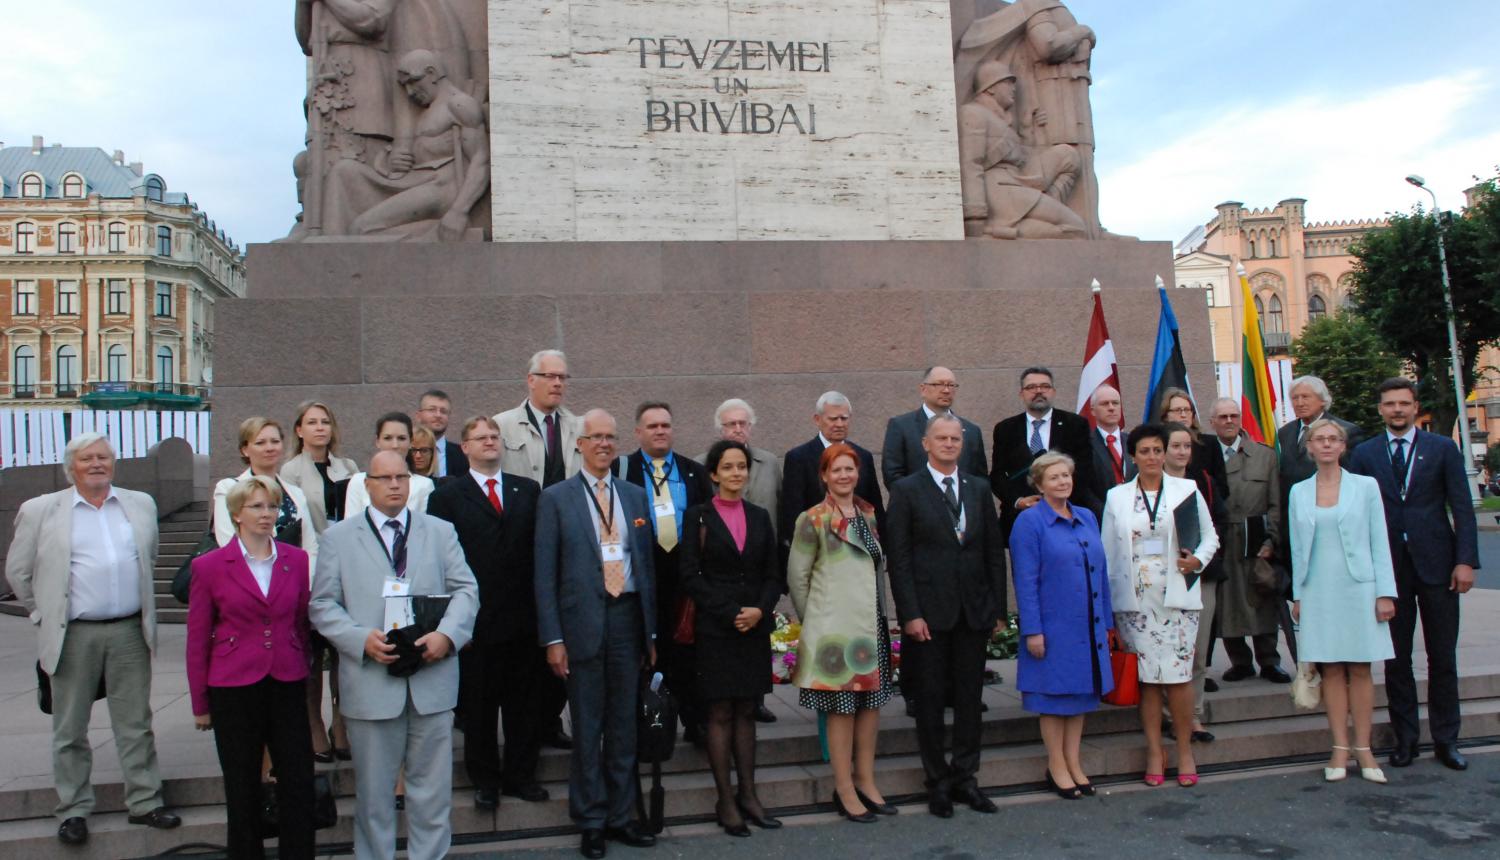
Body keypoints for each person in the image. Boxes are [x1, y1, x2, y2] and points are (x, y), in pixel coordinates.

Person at [7, 433, 180, 846]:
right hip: (73, 633)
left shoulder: (139, 505)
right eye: (87, 459)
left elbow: (148, 558)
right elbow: (19, 572)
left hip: (127, 630)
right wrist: (40, 612)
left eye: (104, 457)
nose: (97, 464)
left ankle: (145, 801)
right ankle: (73, 809)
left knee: (135, 723)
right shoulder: (42, 511)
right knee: (70, 728)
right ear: (72, 466)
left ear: (114, 463)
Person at [309, 451, 478, 860]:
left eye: (401, 477)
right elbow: (322, 605)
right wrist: (357, 639)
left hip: (431, 679)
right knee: (374, 795)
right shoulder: (339, 538)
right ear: (367, 484)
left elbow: (466, 590)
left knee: (432, 793)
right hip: (371, 682)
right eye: (384, 478)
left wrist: (447, 636)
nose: (394, 485)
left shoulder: (440, 532)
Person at [533, 409, 659, 859]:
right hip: (581, 624)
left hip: (627, 619)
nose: (604, 444)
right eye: (595, 437)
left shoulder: (634, 496)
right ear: (580, 445)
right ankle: (590, 820)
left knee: (624, 725)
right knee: (588, 727)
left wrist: (651, 634)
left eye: (610, 437)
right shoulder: (556, 498)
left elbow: (646, 567)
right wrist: (553, 639)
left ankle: (622, 816)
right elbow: (544, 575)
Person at [1348, 378, 1480, 771]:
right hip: (1388, 571)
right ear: (1380, 410)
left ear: (1415, 406)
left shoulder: (1442, 448)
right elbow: (1355, 515)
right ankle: (1406, 740)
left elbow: (1462, 506)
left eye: (1404, 403)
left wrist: (1465, 561)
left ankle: (1446, 740)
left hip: (1439, 565)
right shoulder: (1364, 454)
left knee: (1443, 657)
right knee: (1396, 659)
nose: (1397, 410)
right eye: (1389, 404)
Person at [187, 476, 316, 858]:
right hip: (233, 685)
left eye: (272, 506)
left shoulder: (296, 559)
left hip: (286, 679)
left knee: (298, 780)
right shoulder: (210, 566)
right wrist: (201, 703)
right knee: (241, 784)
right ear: (236, 514)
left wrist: (301, 662)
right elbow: (197, 639)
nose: (267, 514)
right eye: (257, 507)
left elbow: (300, 619)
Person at [886, 415, 1007, 817]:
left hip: (972, 612)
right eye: (942, 438)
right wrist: (909, 614)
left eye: (956, 439)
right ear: (926, 443)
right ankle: (937, 781)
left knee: (970, 701)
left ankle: (965, 778)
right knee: (932, 700)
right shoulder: (906, 490)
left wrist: (997, 610)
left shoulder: (979, 488)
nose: (950, 444)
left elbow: (993, 553)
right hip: (929, 617)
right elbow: (899, 560)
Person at [425, 416, 549, 809]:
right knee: (478, 709)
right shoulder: (446, 495)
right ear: (465, 447)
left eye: (495, 436)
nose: (490, 442)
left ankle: (520, 775)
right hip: (473, 621)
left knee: (523, 706)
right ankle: (485, 781)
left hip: (523, 619)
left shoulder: (527, 489)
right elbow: (439, 562)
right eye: (481, 437)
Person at [1101, 424, 1218, 788]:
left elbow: (1210, 537)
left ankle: (1184, 750)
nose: (1151, 457)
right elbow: (1106, 550)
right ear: (1133, 456)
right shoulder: (1116, 496)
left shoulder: (1186, 490)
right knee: (1148, 682)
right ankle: (1154, 750)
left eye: (1157, 450)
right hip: (1135, 604)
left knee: (1179, 679)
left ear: (1165, 453)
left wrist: (1196, 561)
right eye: (1144, 451)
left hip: (1177, 599)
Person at [678, 440, 784, 837]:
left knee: (746, 711)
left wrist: (759, 609)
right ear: (714, 474)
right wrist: (729, 612)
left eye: (742, 466)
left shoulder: (759, 517)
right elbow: (689, 575)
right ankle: (725, 799)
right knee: (720, 712)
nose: (737, 473)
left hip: (752, 627)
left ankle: (750, 794)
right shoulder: (698, 518)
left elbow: (774, 573)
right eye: (728, 467)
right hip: (717, 628)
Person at [786, 443, 895, 824]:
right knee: (843, 710)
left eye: (850, 469)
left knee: (871, 706)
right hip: (835, 630)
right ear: (824, 476)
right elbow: (797, 578)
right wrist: (816, 621)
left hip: (871, 624)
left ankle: (866, 780)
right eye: (837, 470)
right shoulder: (812, 519)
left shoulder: (868, 513)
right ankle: (844, 787)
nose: (844, 475)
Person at [1290, 419, 1397, 784]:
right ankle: (1338, 748)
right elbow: (1298, 548)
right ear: (1309, 447)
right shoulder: (1299, 492)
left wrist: (1385, 592)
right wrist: (1299, 595)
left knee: (1361, 669)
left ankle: (1364, 749)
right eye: (1319, 439)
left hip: (1359, 587)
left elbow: (1379, 539)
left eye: (1333, 439)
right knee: (1331, 669)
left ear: (1343, 445)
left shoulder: (1365, 486)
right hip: (1318, 588)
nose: (1326, 445)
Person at [1009, 452, 1113, 799]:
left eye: (1066, 475)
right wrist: (1033, 630)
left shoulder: (1086, 516)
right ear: (1039, 483)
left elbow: (1102, 573)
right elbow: (1025, 580)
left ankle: (1074, 761)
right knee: (1054, 698)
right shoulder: (1029, 522)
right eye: (1054, 477)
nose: (1063, 482)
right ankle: (1056, 764)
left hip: (1087, 625)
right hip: (1053, 626)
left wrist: (1107, 621)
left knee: (1080, 695)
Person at [495, 349, 583, 750]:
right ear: (530, 380)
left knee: (565, 631)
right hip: (521, 543)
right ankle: (527, 721)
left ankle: (550, 718)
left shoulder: (578, 427)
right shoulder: (502, 426)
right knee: (531, 636)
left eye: (563, 377)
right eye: (549, 376)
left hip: (569, 542)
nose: (557, 383)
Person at [615, 402, 712, 743]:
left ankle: (694, 721)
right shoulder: (621, 469)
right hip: (642, 572)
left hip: (683, 574)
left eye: (666, 425)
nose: (660, 431)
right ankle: (647, 723)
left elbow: (706, 522)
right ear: (637, 432)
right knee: (645, 651)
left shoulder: (692, 471)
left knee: (686, 649)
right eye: (652, 426)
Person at [280, 400, 360, 765]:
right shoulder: (290, 471)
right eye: (311, 422)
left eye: (325, 421)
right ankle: (315, 723)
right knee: (312, 653)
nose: (319, 428)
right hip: (310, 568)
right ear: (299, 430)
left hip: (348, 566)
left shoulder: (349, 467)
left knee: (345, 651)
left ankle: (341, 723)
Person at [699, 398, 783, 725]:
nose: (738, 429)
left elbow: (779, 507)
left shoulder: (770, 463)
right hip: (719, 575)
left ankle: (757, 701)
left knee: (755, 643)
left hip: (759, 571)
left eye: (743, 423)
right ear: (720, 429)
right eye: (731, 424)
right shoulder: (701, 465)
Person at [1206, 398, 1289, 684]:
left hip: (1255, 534)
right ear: (1212, 422)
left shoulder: (1264, 456)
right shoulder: (1204, 454)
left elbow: (1276, 502)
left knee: (1261, 597)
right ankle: (1240, 661)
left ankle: (1269, 661)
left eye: (1234, 415)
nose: (1229, 421)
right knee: (1227, 602)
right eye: (1223, 416)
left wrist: (1272, 538)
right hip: (1222, 538)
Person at [1163, 422, 1227, 743]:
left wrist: (1200, 559)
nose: (1182, 452)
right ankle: (1167, 716)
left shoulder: (1203, 482)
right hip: (1163, 582)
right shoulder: (1149, 487)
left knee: (1198, 652)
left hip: (1201, 577)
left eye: (1187, 446)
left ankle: (1195, 716)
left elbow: (1219, 526)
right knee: (1167, 652)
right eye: (1175, 446)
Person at [781, 391, 887, 563]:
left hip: (861, 552)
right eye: (833, 419)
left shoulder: (863, 456)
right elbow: (792, 511)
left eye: (844, 419)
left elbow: (874, 505)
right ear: (817, 419)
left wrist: (883, 548)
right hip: (819, 553)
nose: (839, 424)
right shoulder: (798, 458)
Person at [991, 367, 1099, 531]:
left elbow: (1085, 471)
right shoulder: (1005, 429)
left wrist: (1056, 500)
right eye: (1031, 387)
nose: (1039, 391)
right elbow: (998, 476)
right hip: (1022, 518)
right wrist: (1019, 501)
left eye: (1045, 386)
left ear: (1053, 391)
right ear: (1022, 394)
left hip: (1066, 516)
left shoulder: (1075, 424)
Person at [214, 417, 318, 564]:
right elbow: (227, 541)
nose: (269, 448)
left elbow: (310, 547)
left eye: (275, 441)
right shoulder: (228, 488)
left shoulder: (296, 493)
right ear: (245, 450)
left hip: (292, 580)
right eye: (260, 443)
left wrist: (305, 583)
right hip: (247, 577)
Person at [881, 366, 989, 489]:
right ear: (923, 389)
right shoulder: (901, 426)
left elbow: (981, 478)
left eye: (951, 385)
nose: (946, 390)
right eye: (939, 384)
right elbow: (893, 475)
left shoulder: (971, 431)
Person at [344, 413, 437, 515]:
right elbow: (350, 526)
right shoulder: (358, 481)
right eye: (388, 438)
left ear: (410, 442)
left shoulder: (424, 485)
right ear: (377, 441)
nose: (395, 445)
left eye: (401, 438)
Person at [1088, 384, 1134, 502]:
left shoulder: (1133, 441)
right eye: (1105, 404)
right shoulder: (1085, 444)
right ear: (1093, 411)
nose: (1111, 407)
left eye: (1115, 403)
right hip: (1101, 512)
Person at [415, 389, 468, 478]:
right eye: (432, 410)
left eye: (443, 411)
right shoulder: (407, 451)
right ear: (418, 416)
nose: (438, 415)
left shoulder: (462, 455)